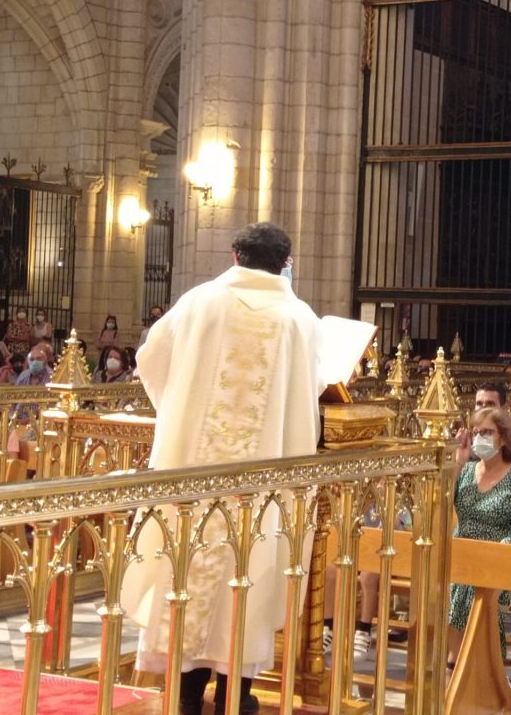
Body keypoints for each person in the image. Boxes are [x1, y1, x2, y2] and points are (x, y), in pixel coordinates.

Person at [122, 222, 375, 715]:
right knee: (249, 577)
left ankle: (186, 697)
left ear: (236, 256)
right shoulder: (299, 319)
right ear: (285, 264)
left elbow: (151, 360)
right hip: (262, 483)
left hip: (194, 476)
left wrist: (181, 411)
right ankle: (235, 697)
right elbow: (313, 385)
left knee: (187, 572)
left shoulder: (199, 303)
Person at [448, 407, 511, 663]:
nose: (480, 438)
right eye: (476, 432)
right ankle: (458, 665)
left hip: (501, 559)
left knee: (472, 589)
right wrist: (458, 462)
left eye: (487, 432)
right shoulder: (466, 471)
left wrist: (490, 552)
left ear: (503, 438)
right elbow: (440, 506)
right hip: (463, 556)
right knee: (451, 584)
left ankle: (467, 666)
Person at [473, 384, 511, 471]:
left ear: (504, 408)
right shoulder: (466, 445)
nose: (483, 408)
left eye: (490, 404)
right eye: (479, 404)